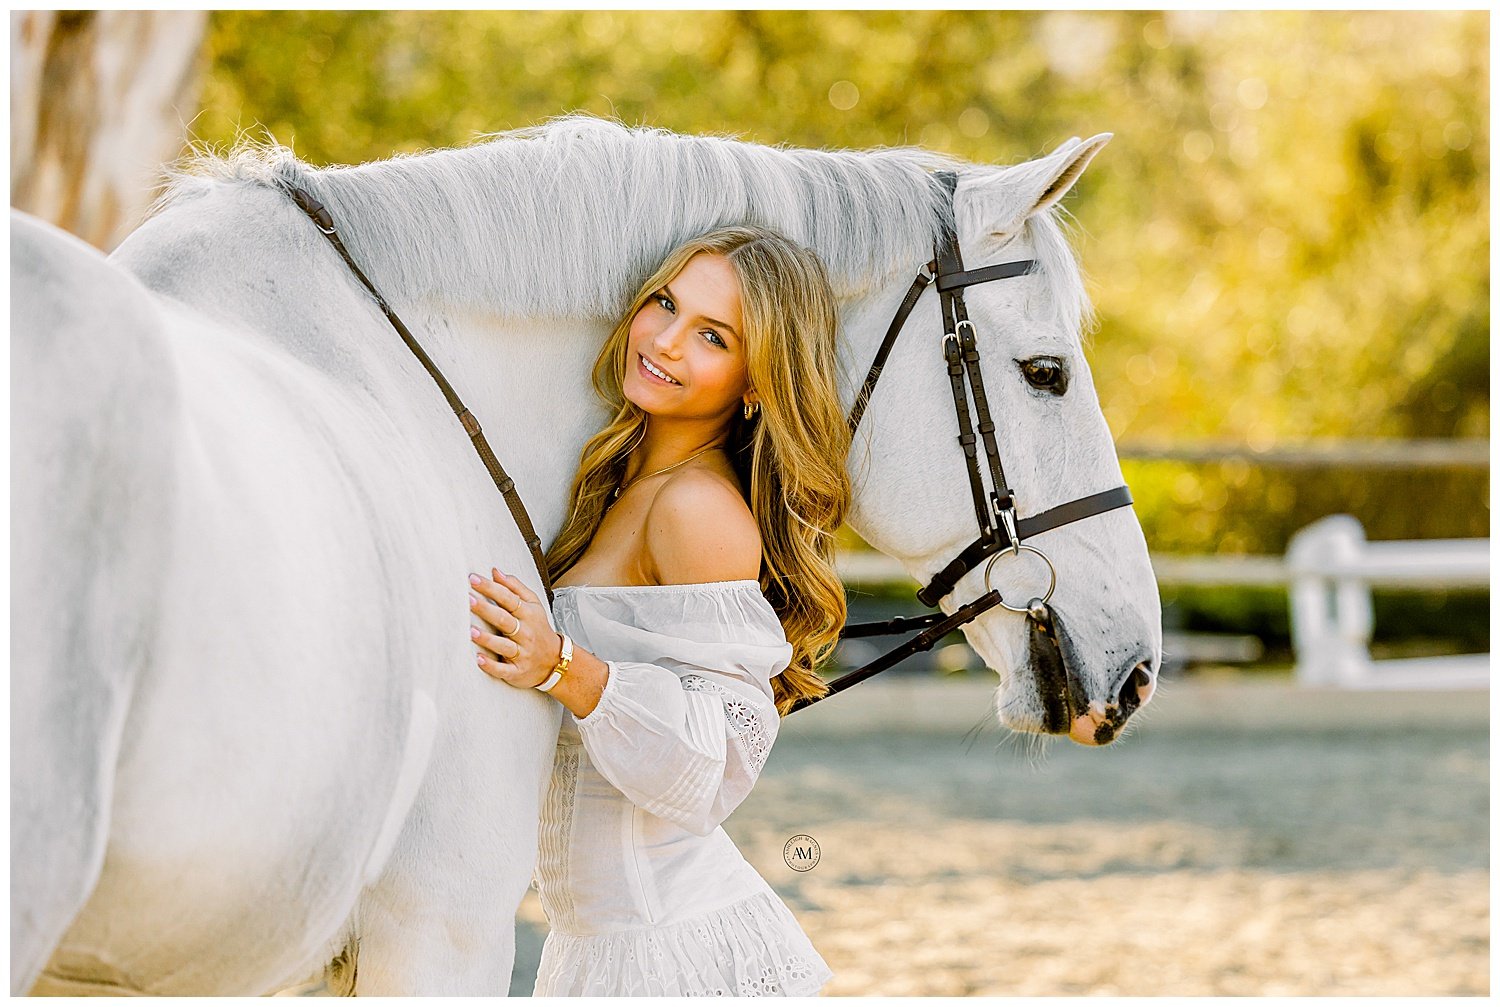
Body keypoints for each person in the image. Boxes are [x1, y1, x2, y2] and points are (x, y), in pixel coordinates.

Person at [467, 224, 850, 996]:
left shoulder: (697, 508)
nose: (667, 342)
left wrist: (567, 668)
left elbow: (716, 762)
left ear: (754, 382)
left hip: (671, 948)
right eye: (664, 304)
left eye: (712, 335)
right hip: (596, 946)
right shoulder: (613, 482)